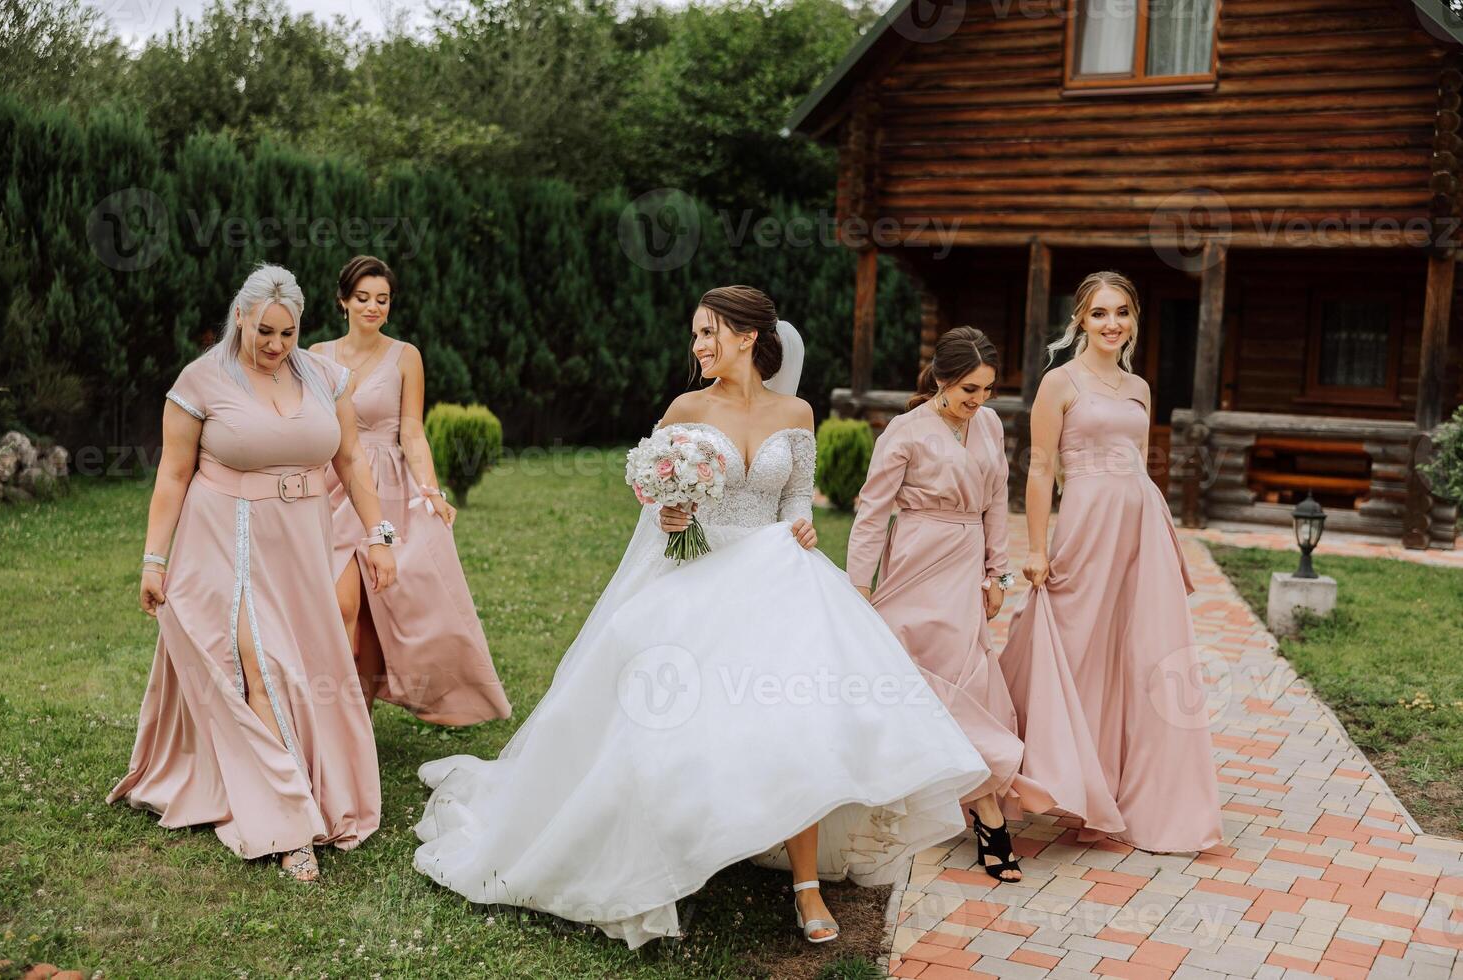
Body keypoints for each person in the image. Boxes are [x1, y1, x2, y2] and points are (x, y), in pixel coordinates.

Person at [412, 286, 991, 947]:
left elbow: (796, 502)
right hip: (696, 574)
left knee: (798, 721)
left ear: (748, 338)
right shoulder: (687, 409)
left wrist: (802, 530)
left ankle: (806, 885)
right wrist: (669, 517)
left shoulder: (795, 412)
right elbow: (657, 507)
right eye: (695, 335)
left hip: (776, 577)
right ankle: (660, 855)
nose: (698, 346)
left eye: (709, 333)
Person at [110, 264, 396, 882]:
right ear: (239, 317)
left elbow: (351, 460)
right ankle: (292, 825)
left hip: (301, 544)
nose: (274, 345)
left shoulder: (324, 378)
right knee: (258, 665)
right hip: (225, 542)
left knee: (299, 666)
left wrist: (378, 535)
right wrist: (154, 559)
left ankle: (298, 783)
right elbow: (173, 476)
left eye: (287, 333)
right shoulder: (202, 380)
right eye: (264, 330)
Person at [1001, 270, 1222, 853]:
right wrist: (1037, 545)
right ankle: (1051, 776)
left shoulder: (1140, 388)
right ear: (1079, 319)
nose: (1111, 323)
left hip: (1141, 525)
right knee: (1075, 650)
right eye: (1099, 312)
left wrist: (1163, 537)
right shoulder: (1060, 383)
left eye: (1121, 312)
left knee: (1140, 655)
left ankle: (1122, 797)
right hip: (1086, 522)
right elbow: (1042, 469)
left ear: (1133, 320)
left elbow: (1140, 465)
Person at [847, 326, 1055, 883]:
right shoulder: (904, 431)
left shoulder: (988, 425)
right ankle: (986, 815)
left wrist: (998, 574)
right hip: (914, 560)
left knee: (966, 681)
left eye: (987, 389)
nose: (978, 401)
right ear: (941, 380)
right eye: (969, 389)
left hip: (965, 569)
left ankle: (982, 805)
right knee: (913, 676)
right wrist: (857, 588)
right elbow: (872, 512)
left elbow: (995, 503)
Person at [312, 255, 510, 726]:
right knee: (341, 603)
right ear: (343, 301)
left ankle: (358, 718)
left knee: (381, 610)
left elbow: (412, 432)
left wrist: (431, 490)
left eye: (382, 299)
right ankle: (334, 722)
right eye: (362, 298)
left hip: (390, 490)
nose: (372, 307)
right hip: (332, 485)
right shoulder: (316, 356)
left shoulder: (406, 356)